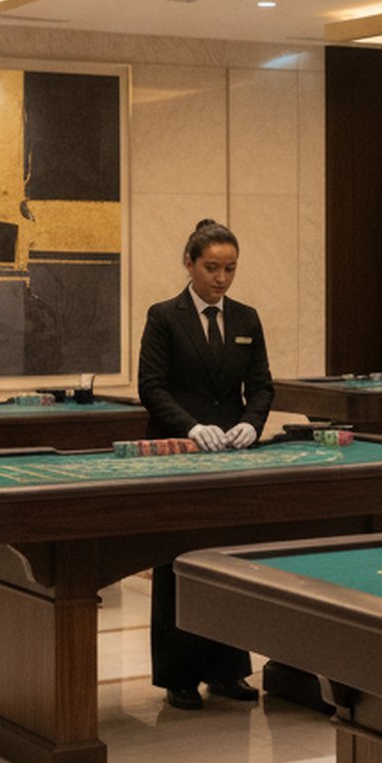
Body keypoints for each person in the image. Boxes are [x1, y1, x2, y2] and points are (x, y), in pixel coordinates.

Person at [137, 218, 274, 710]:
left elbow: (262, 386)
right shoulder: (164, 316)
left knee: (227, 559)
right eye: (212, 268)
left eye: (230, 268)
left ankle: (227, 670)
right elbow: (151, 387)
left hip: (230, 455)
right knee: (177, 560)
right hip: (178, 453)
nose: (221, 278)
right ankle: (178, 676)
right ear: (189, 264)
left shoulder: (246, 318)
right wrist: (191, 427)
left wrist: (252, 424)